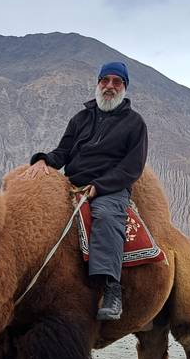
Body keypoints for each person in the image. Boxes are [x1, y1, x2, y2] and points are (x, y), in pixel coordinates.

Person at [24, 61, 148, 320]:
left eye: (116, 82)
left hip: (110, 189)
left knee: (106, 217)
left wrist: (100, 186)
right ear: (98, 83)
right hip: (71, 184)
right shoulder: (80, 118)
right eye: (105, 80)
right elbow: (63, 152)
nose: (110, 86)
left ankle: (111, 289)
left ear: (124, 87)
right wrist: (43, 160)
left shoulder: (135, 123)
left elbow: (132, 167)